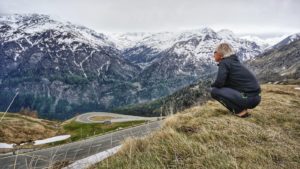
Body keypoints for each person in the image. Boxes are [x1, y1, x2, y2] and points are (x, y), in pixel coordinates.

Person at [210, 43, 261, 118]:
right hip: (255, 98)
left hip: (249, 99)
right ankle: (242, 109)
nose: (213, 55)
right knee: (223, 89)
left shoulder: (224, 63)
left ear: (220, 54)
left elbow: (219, 83)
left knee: (214, 91)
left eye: (215, 52)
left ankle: (240, 112)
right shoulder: (233, 61)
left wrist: (212, 85)